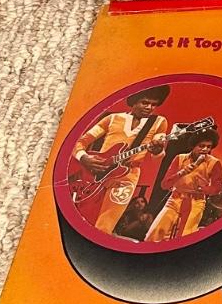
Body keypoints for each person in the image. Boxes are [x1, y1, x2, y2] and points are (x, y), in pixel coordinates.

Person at [70, 85, 170, 235]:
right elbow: (81, 142)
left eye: (154, 104)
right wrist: (84, 158)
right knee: (82, 217)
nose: (149, 107)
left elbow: (158, 151)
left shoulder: (159, 122)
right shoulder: (112, 118)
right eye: (145, 102)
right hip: (97, 172)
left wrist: (157, 149)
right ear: (134, 101)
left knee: (106, 224)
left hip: (127, 176)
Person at [144, 129, 222, 242]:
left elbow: (217, 187)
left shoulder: (214, 163)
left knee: (185, 237)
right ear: (193, 145)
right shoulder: (180, 158)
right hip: (174, 199)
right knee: (155, 232)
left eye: (209, 147)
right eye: (201, 146)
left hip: (196, 202)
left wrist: (203, 189)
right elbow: (165, 184)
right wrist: (182, 173)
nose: (205, 149)